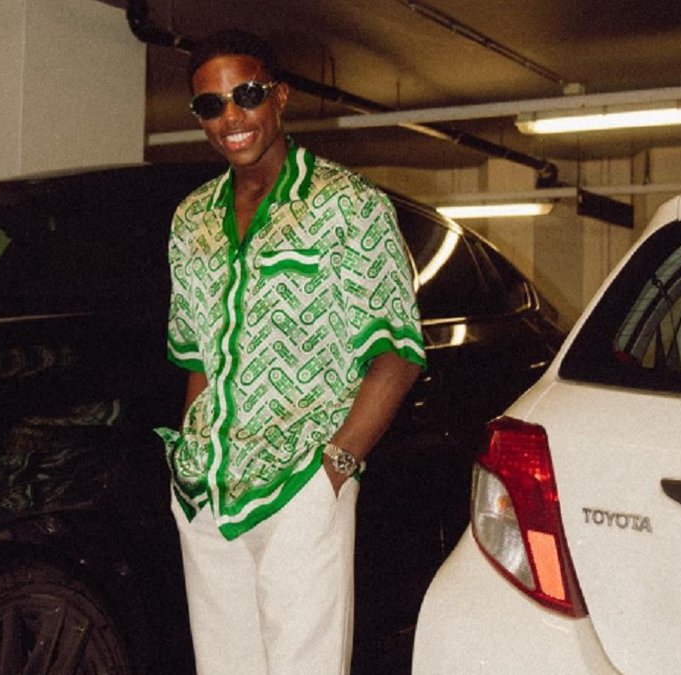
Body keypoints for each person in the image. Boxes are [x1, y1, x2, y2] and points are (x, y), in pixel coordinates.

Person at [155, 29, 426, 674]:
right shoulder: (191, 218)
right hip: (207, 490)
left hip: (300, 479)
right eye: (210, 105)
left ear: (279, 97)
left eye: (246, 95)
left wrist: (334, 470)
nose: (231, 117)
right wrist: (191, 453)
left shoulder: (348, 205)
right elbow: (196, 357)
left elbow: (398, 352)